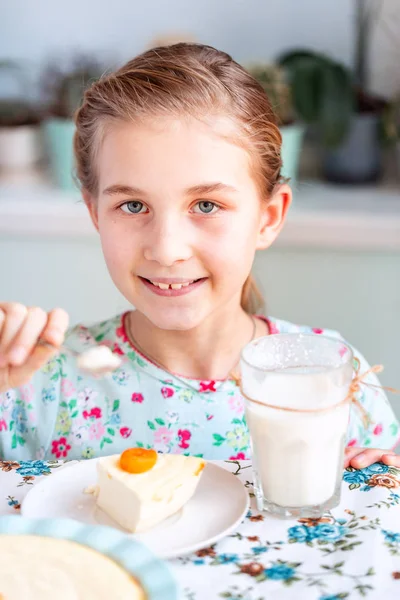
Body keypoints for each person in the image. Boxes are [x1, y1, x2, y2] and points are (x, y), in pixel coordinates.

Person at [0, 44, 398, 468]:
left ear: (268, 217)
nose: (167, 250)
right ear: (96, 212)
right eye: (133, 206)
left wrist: (383, 493)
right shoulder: (36, 382)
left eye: (206, 205)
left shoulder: (331, 376)